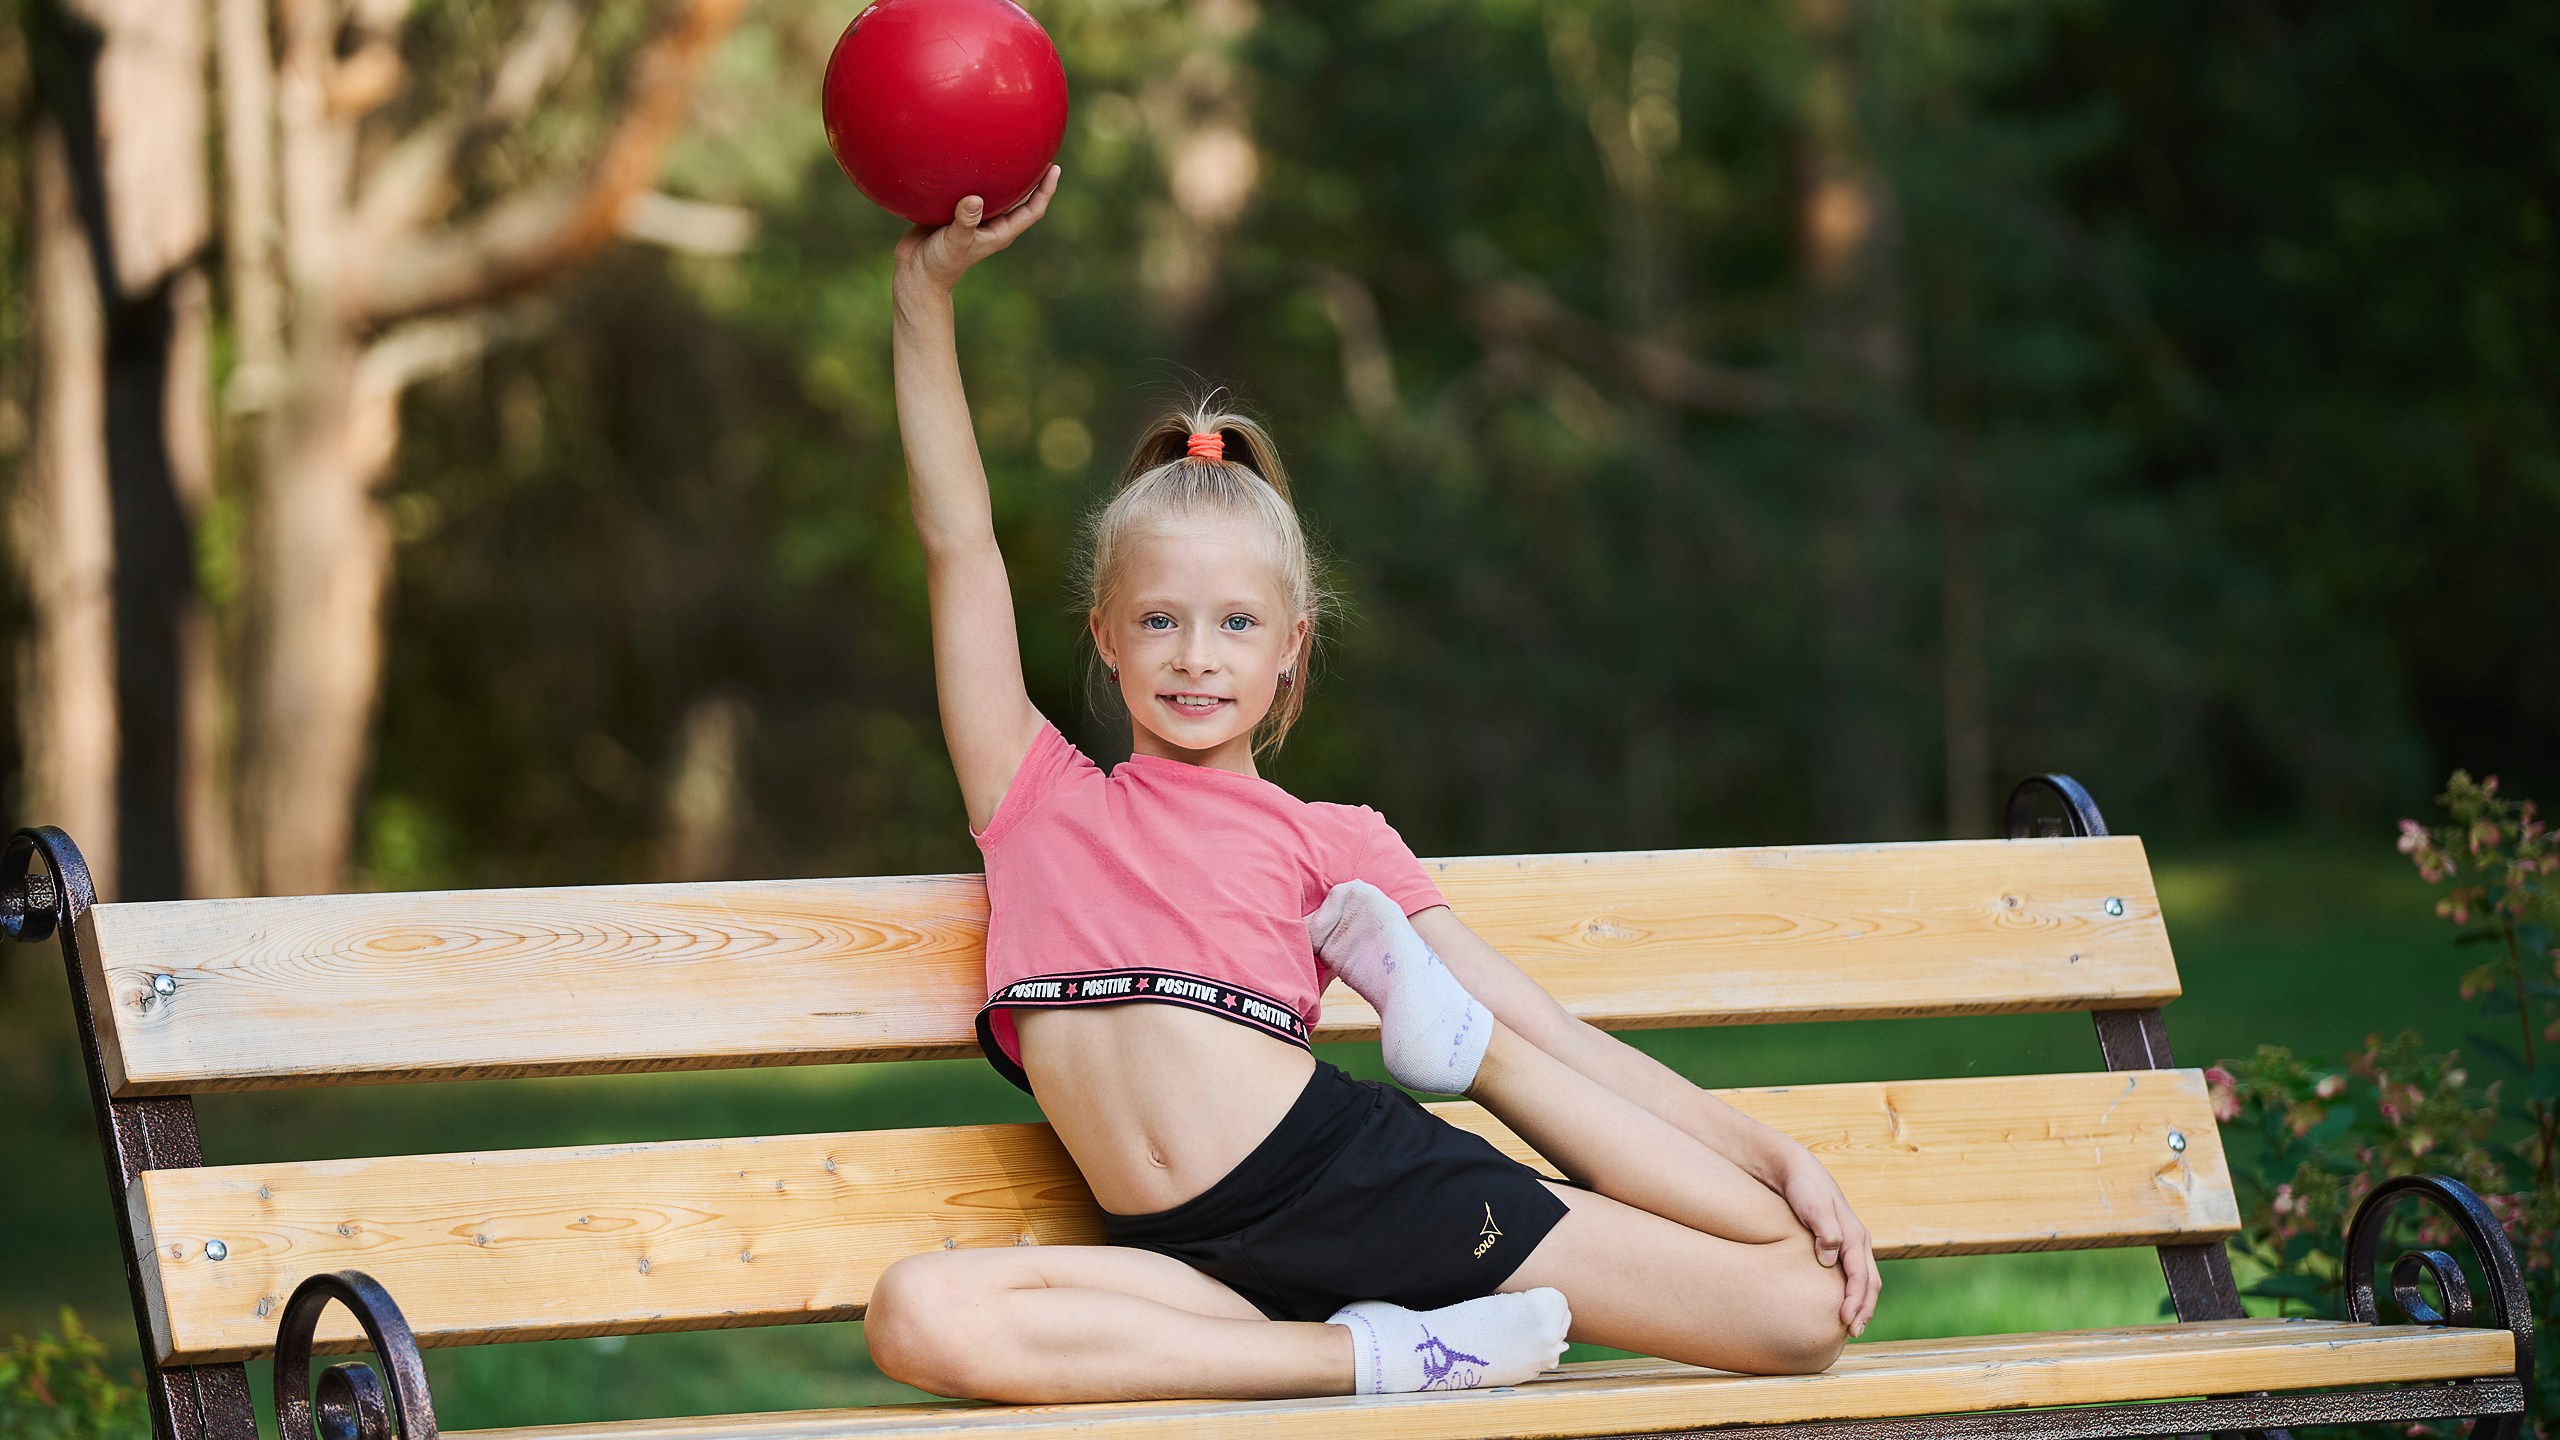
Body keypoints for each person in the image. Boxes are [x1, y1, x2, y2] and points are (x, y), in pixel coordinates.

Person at [862, 168, 1878, 1406]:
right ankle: (1378, 1356)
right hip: (1196, 1265)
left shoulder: (1327, 842)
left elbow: (1554, 1029)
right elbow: (956, 541)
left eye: (1236, 622)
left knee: (1800, 1308)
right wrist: (924, 301)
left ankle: (1454, 1052)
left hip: (1356, 1186)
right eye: (1160, 620)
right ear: (1105, 636)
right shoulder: (1032, 797)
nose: (1196, 654)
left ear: (1289, 645)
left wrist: (1773, 1157)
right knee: (918, 1315)